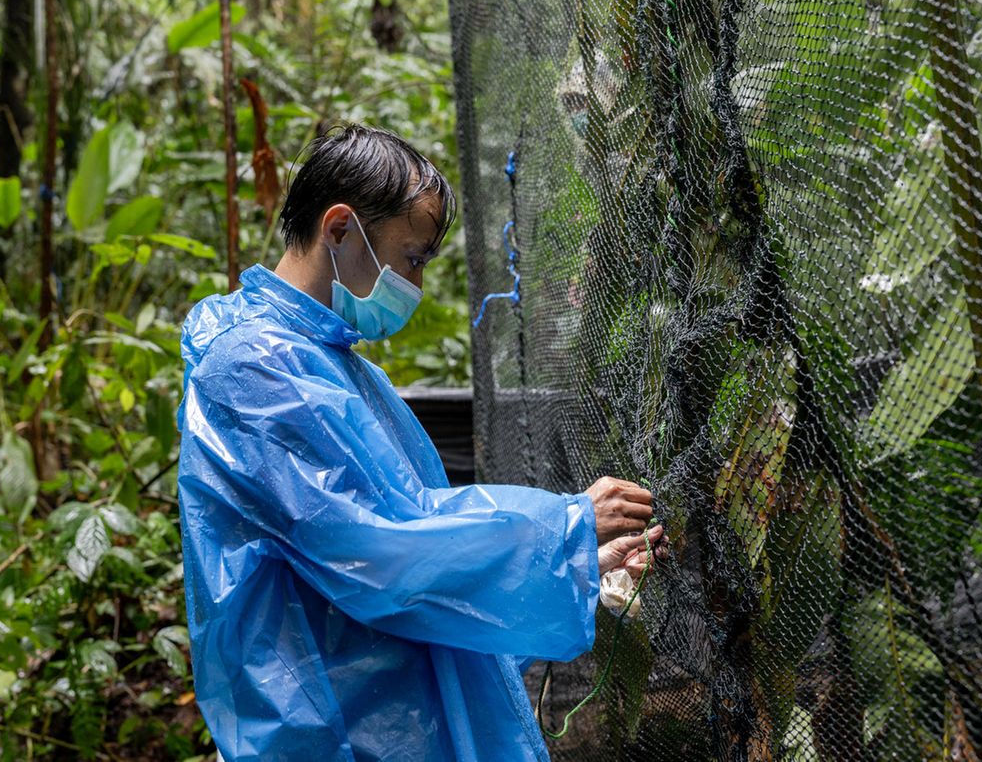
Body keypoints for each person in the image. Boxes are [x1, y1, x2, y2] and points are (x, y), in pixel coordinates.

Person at [177, 124, 667, 761]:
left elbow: (418, 571)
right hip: (333, 736)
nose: (415, 283)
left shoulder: (335, 367)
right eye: (411, 258)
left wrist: (578, 567)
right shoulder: (256, 370)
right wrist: (564, 528)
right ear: (340, 229)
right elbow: (378, 554)